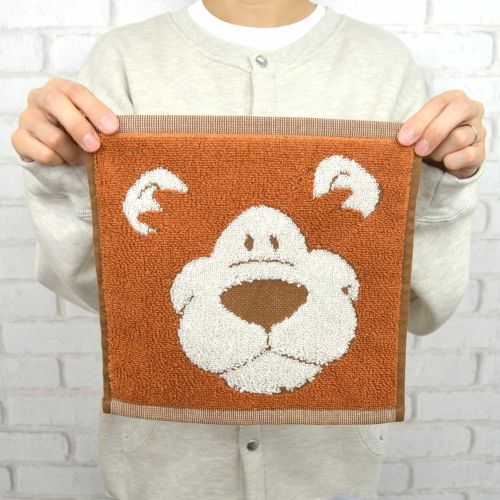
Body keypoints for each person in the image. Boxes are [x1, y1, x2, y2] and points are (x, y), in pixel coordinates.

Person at [10, 1, 487, 499]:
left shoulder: (385, 66)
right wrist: (59, 176)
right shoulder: (124, 60)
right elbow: (110, 294)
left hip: (328, 472)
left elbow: (417, 305)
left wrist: (445, 185)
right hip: (163, 471)